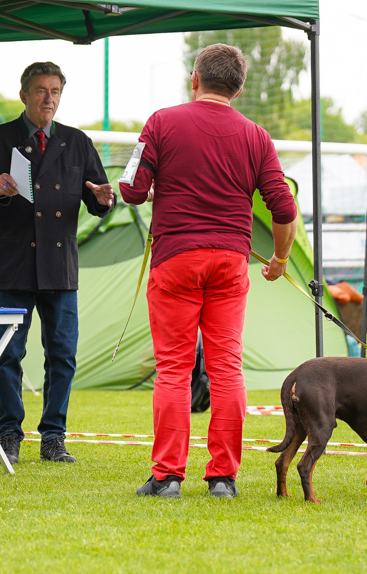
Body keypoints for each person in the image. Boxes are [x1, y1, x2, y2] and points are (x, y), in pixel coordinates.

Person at [119, 43, 298, 498]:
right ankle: (223, 478)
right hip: (230, 263)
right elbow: (284, 206)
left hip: (176, 260)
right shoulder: (256, 135)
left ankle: (167, 477)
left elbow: (132, 191)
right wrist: (278, 260)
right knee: (227, 370)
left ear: (194, 79)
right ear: (238, 89)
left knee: (174, 371)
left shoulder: (161, 122)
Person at [0, 61, 115, 465]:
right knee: (7, 354)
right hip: (12, 266)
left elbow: (97, 198)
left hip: (60, 268)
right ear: (24, 95)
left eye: (55, 92)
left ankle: (54, 437)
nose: (49, 99)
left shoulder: (77, 141)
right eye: (41, 91)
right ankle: (9, 434)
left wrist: (104, 200)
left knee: (62, 355)